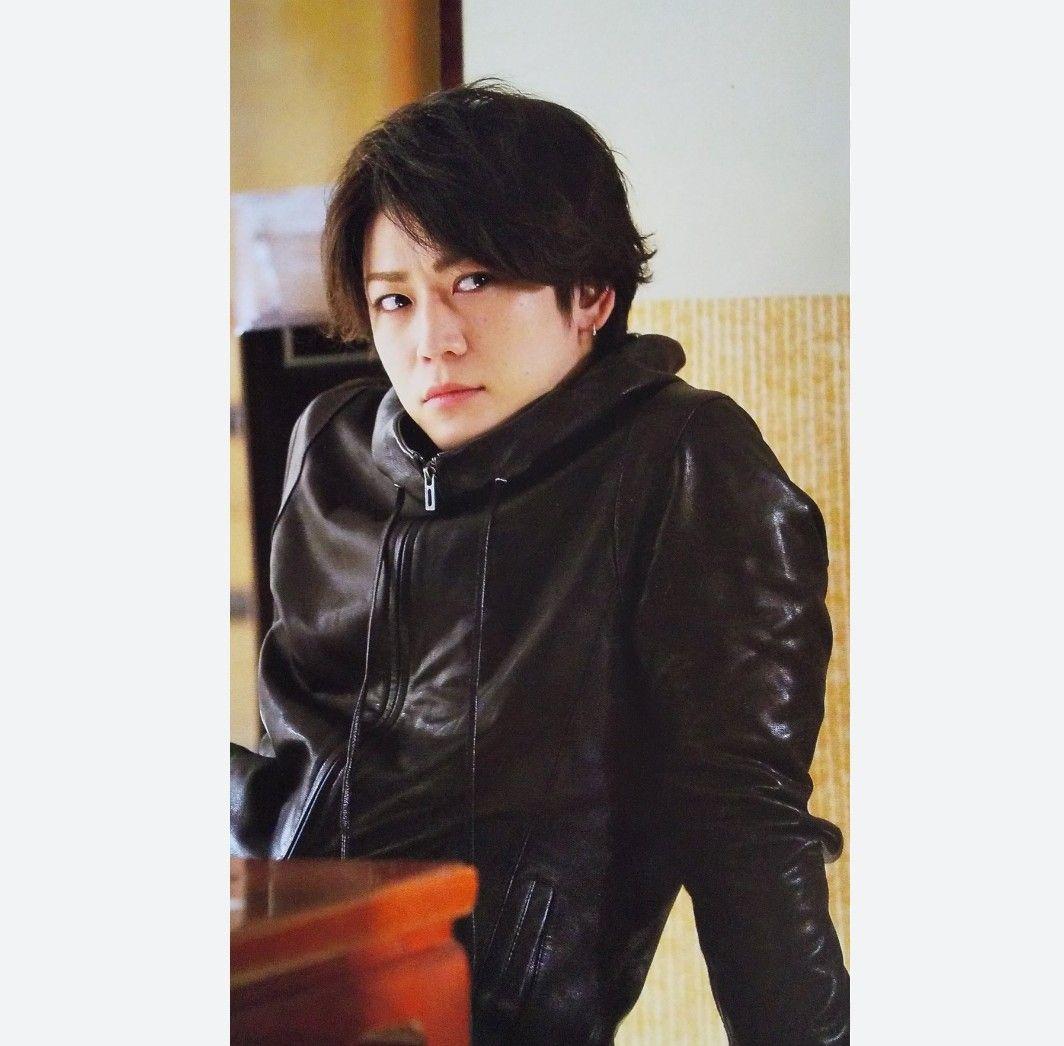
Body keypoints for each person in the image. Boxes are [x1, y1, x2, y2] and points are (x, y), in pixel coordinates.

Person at [230, 79, 849, 1044]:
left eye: (475, 282)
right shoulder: (333, 445)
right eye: (395, 299)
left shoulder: (681, 461)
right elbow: (297, 766)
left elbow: (745, 830)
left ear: (591, 295)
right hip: (277, 986)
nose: (432, 341)